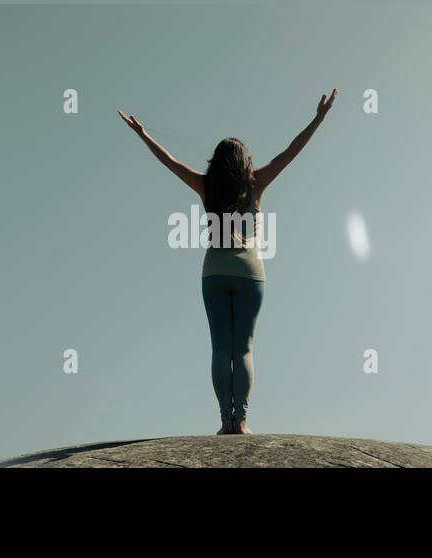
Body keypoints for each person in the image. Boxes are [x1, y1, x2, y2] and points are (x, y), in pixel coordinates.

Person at [118, 89, 336, 435]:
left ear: (217, 164)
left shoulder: (206, 186)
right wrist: (319, 118)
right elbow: (290, 152)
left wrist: (143, 135)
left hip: (214, 273)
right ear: (245, 163)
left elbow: (171, 163)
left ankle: (224, 421)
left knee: (221, 347)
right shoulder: (257, 183)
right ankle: (242, 421)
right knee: (244, 347)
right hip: (251, 274)